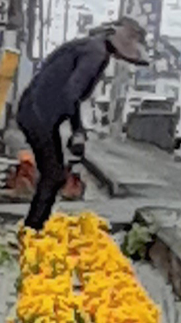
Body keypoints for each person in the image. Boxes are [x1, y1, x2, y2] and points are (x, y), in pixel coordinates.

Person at [16, 17, 149, 230]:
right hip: (38, 114)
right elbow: (72, 93)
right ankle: (33, 229)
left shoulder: (87, 46)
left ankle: (34, 227)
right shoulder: (96, 54)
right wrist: (77, 130)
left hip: (36, 110)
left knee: (54, 174)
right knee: (54, 175)